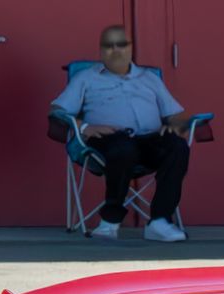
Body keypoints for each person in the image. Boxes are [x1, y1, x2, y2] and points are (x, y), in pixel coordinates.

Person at [52, 26, 194, 242]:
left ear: (131, 48)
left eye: (122, 44)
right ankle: (110, 220)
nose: (116, 50)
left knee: (177, 146)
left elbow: (176, 114)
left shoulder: (150, 79)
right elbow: (57, 111)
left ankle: (160, 221)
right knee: (122, 147)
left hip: (149, 141)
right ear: (100, 51)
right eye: (109, 45)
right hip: (106, 142)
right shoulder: (85, 78)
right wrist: (84, 127)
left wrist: (175, 125)